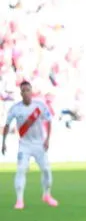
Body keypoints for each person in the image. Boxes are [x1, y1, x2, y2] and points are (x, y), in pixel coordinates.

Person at [2, 81, 58, 210]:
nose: (26, 92)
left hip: (39, 144)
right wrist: (3, 143)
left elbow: (49, 121)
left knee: (46, 170)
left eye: (28, 90)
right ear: (21, 93)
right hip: (24, 145)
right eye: (24, 90)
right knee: (21, 169)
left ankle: (47, 195)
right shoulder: (15, 108)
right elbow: (7, 125)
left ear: (31, 91)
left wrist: (47, 139)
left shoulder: (40, 106)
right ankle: (19, 200)